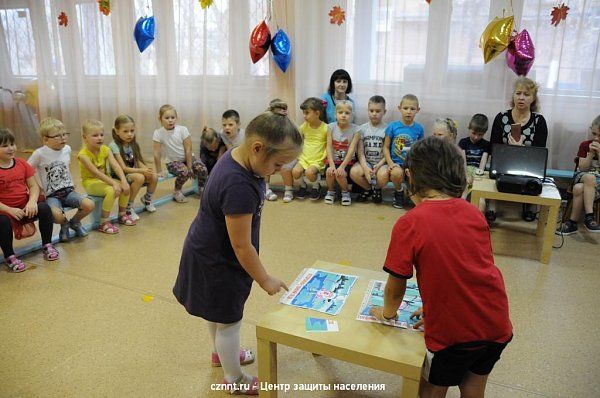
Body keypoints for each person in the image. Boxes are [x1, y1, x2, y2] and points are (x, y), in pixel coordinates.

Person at [172, 105, 302, 395]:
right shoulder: (238, 184)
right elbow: (241, 246)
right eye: (279, 165)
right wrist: (264, 279)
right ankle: (235, 379)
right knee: (229, 321)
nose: (280, 172)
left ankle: (221, 354)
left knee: (217, 314)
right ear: (257, 148)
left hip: (208, 250)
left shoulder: (237, 156)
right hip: (218, 261)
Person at [370, 136, 512, 398]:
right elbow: (470, 270)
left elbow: (396, 287)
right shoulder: (474, 213)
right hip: (496, 323)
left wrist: (387, 313)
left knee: (432, 389)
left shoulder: (410, 222)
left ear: (410, 176)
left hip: (452, 337)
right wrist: (437, 305)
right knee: (473, 387)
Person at [490, 77, 548, 222]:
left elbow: (539, 154)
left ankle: (530, 206)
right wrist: (509, 150)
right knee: (494, 173)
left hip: (528, 166)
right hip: (504, 164)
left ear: (533, 99)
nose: (521, 97)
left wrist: (521, 150)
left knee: (534, 178)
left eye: (526, 94)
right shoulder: (501, 118)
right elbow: (493, 148)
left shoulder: (539, 121)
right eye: (518, 93)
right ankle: (492, 206)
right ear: (513, 96)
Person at [1, 128, 59, 272]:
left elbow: (33, 186)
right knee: (2, 221)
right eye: (4, 145)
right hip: (5, 211)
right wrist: (9, 210)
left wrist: (32, 202)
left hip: (25, 207)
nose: (10, 148)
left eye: (12, 144)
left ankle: (47, 245)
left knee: (45, 208)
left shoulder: (21, 163)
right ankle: (10, 256)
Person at [28, 118, 95, 242]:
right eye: (58, 136)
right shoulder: (39, 154)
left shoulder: (67, 149)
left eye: (65, 134)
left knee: (89, 205)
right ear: (46, 139)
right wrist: (38, 187)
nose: (63, 138)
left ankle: (74, 222)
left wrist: (70, 181)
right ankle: (64, 224)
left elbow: (65, 166)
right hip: (52, 195)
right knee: (56, 215)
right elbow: (26, 171)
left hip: (69, 191)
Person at [78, 119, 134, 233]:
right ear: (85, 137)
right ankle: (104, 222)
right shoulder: (83, 155)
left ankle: (122, 214)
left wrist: (123, 181)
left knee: (125, 186)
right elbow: (96, 173)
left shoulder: (105, 149)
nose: (99, 138)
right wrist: (114, 183)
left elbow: (116, 166)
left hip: (104, 180)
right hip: (91, 183)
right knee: (111, 191)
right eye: (95, 135)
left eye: (101, 135)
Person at [152, 104, 207, 203]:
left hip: (188, 159)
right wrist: (159, 170)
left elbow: (188, 149)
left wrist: (190, 167)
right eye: (167, 118)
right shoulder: (158, 133)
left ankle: (202, 189)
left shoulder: (182, 129)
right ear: (160, 119)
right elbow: (156, 153)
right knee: (184, 171)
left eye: (173, 117)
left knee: (202, 168)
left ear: (176, 118)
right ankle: (177, 191)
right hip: (173, 162)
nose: (170, 120)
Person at [110, 114, 158, 221]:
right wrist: (141, 171)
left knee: (153, 176)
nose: (130, 134)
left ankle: (147, 199)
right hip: (119, 176)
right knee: (139, 177)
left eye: (132, 131)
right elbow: (123, 168)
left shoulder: (132, 144)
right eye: (125, 131)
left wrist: (147, 170)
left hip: (131, 172)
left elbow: (137, 161)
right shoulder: (114, 146)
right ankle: (128, 206)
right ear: (117, 131)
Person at [560, 114, 600, 234]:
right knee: (588, 177)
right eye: (594, 134)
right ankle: (589, 216)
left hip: (597, 182)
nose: (596, 138)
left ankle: (572, 223)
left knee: (578, 188)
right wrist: (591, 154)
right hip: (582, 176)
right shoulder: (584, 145)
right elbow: (582, 168)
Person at [383, 94, 424, 209]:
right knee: (396, 173)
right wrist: (390, 163)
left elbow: (420, 149)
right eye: (405, 108)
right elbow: (385, 147)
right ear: (399, 108)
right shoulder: (392, 126)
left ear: (418, 110)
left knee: (417, 177)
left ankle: (412, 194)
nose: (409, 111)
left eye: (412, 109)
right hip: (396, 163)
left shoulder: (419, 128)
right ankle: (399, 192)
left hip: (411, 163)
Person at [350, 95, 388, 203]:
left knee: (383, 175)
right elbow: (360, 152)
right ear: (368, 111)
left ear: (384, 112)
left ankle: (377, 189)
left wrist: (379, 164)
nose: (374, 113)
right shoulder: (361, 129)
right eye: (371, 110)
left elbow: (387, 152)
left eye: (378, 111)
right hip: (366, 162)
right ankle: (368, 189)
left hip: (381, 163)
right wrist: (365, 167)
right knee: (354, 172)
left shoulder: (388, 129)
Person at [289, 97, 329, 202]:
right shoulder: (304, 126)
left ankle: (316, 187)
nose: (304, 116)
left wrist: (325, 157)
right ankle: (303, 186)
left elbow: (329, 145)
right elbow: (298, 138)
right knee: (295, 172)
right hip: (304, 157)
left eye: (307, 113)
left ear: (317, 113)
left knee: (310, 173)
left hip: (318, 159)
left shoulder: (326, 128)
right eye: (303, 113)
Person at [324, 100, 360, 206]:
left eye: (347, 113)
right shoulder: (330, 127)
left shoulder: (356, 129)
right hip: (333, 159)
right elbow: (329, 146)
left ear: (351, 115)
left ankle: (345, 192)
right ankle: (331, 191)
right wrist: (331, 164)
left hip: (347, 161)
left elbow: (352, 149)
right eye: (340, 113)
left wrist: (342, 167)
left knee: (340, 174)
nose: (343, 115)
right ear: (335, 114)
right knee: (330, 172)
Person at [459, 114, 491, 214]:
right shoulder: (463, 142)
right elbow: (462, 161)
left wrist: (478, 176)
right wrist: (466, 175)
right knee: (463, 196)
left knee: (481, 200)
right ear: (469, 128)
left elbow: (483, 161)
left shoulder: (486, 144)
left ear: (484, 133)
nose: (476, 137)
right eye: (474, 133)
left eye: (480, 135)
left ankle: (480, 219)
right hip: (465, 171)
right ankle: (459, 218)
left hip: (479, 173)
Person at [264, 99, 294, 202]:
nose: (284, 112)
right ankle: (266, 189)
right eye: (280, 110)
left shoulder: (289, 125)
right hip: (272, 154)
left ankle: (289, 190)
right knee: (264, 163)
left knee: (285, 167)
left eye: (285, 109)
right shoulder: (267, 125)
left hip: (286, 154)